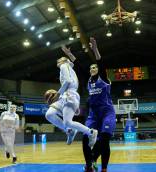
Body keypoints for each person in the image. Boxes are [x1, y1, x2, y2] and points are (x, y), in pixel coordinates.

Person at [62, 37, 116, 172]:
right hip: (94, 113)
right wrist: (69, 54)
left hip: (107, 112)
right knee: (85, 137)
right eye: (91, 67)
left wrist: (95, 49)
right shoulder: (89, 80)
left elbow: (101, 62)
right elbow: (79, 67)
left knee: (104, 139)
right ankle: (90, 165)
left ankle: (97, 164)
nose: (93, 68)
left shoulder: (103, 78)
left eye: (95, 67)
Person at [44, 56, 98, 147]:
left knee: (67, 122)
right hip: (65, 96)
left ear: (64, 61)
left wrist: (57, 94)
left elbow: (68, 81)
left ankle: (91, 132)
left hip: (69, 95)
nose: (57, 61)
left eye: (59, 59)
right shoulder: (69, 68)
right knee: (49, 114)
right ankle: (69, 130)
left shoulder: (64, 65)